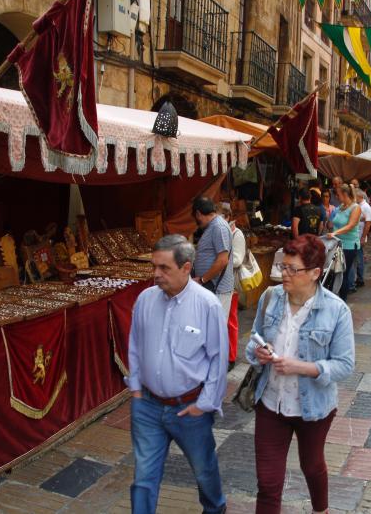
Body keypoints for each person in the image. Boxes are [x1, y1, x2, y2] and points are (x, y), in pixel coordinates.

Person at [245, 234, 355, 514]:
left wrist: (302, 368)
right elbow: (253, 340)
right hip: (270, 403)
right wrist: (259, 352)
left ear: (315, 273)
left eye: (293, 269)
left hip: (314, 407)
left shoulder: (336, 310)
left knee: (312, 464)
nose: (285, 274)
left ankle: (321, 510)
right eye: (283, 266)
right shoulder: (270, 298)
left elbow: (345, 364)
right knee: (268, 484)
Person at [126, 235, 229, 514]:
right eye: (154, 267)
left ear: (186, 268)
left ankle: (215, 509)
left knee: (204, 470)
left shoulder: (207, 305)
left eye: (164, 268)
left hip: (189, 409)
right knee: (144, 477)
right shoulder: (146, 299)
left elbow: (218, 361)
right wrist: (136, 391)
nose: (156, 275)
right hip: (147, 405)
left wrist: (204, 405)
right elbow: (134, 345)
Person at [192, 197, 234, 315]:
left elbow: (222, 260)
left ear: (198, 213)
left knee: (215, 329)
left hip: (218, 289)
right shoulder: (213, 226)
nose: (197, 223)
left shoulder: (218, 227)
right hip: (212, 288)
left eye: (196, 219)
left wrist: (202, 279)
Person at [327, 184, 361, 301]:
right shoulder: (341, 207)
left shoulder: (355, 208)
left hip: (349, 245)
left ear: (345, 194)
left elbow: (351, 225)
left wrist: (335, 233)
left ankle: (343, 300)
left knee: (343, 273)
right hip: (337, 244)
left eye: (338, 195)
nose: (336, 197)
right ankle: (335, 298)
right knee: (334, 272)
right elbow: (333, 222)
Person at [222, 203, 246, 370]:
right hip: (221, 282)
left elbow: (237, 260)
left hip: (231, 283)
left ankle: (231, 356)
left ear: (228, 217)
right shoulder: (222, 233)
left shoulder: (237, 234)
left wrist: (221, 259)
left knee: (230, 320)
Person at [349, 188, 371, 292]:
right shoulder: (359, 206)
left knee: (358, 258)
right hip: (356, 236)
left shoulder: (366, 207)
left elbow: (368, 223)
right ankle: (359, 278)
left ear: (360, 196)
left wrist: (363, 237)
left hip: (359, 236)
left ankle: (359, 278)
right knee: (358, 257)